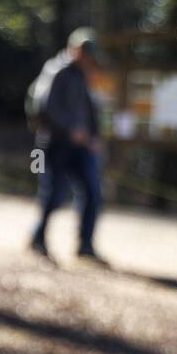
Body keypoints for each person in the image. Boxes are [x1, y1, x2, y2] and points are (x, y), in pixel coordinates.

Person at [28, 27, 108, 265]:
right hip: (55, 144)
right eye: (85, 52)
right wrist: (70, 130)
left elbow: (91, 111)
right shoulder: (56, 70)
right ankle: (38, 238)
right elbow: (44, 107)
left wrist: (94, 136)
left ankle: (85, 245)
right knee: (55, 194)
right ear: (73, 48)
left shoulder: (83, 75)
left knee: (94, 193)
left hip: (82, 147)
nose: (88, 58)